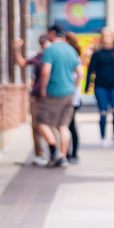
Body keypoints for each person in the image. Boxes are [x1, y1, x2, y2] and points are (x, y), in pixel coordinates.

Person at [36, 25, 82, 167]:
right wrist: (74, 87)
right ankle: (63, 157)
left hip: (53, 92)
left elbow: (45, 72)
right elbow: (81, 73)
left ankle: (54, 149)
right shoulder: (71, 49)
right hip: (69, 93)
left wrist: (42, 88)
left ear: (52, 33)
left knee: (41, 122)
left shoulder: (50, 50)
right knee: (63, 125)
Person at [14, 34, 52, 166]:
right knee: (37, 125)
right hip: (38, 95)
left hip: (50, 95)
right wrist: (16, 49)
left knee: (47, 125)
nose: (44, 47)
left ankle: (55, 153)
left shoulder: (54, 55)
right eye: (42, 44)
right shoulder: (39, 56)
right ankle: (42, 154)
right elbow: (22, 63)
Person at [85, 30, 114, 146]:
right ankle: (103, 137)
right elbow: (90, 70)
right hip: (100, 86)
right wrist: (87, 86)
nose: (107, 38)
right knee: (103, 112)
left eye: (109, 36)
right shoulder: (97, 53)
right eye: (105, 36)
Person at [64, 32, 85, 164]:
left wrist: (73, 89)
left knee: (69, 125)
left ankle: (72, 154)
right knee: (68, 125)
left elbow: (80, 74)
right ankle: (68, 153)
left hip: (71, 97)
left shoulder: (71, 54)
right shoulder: (72, 55)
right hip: (71, 95)